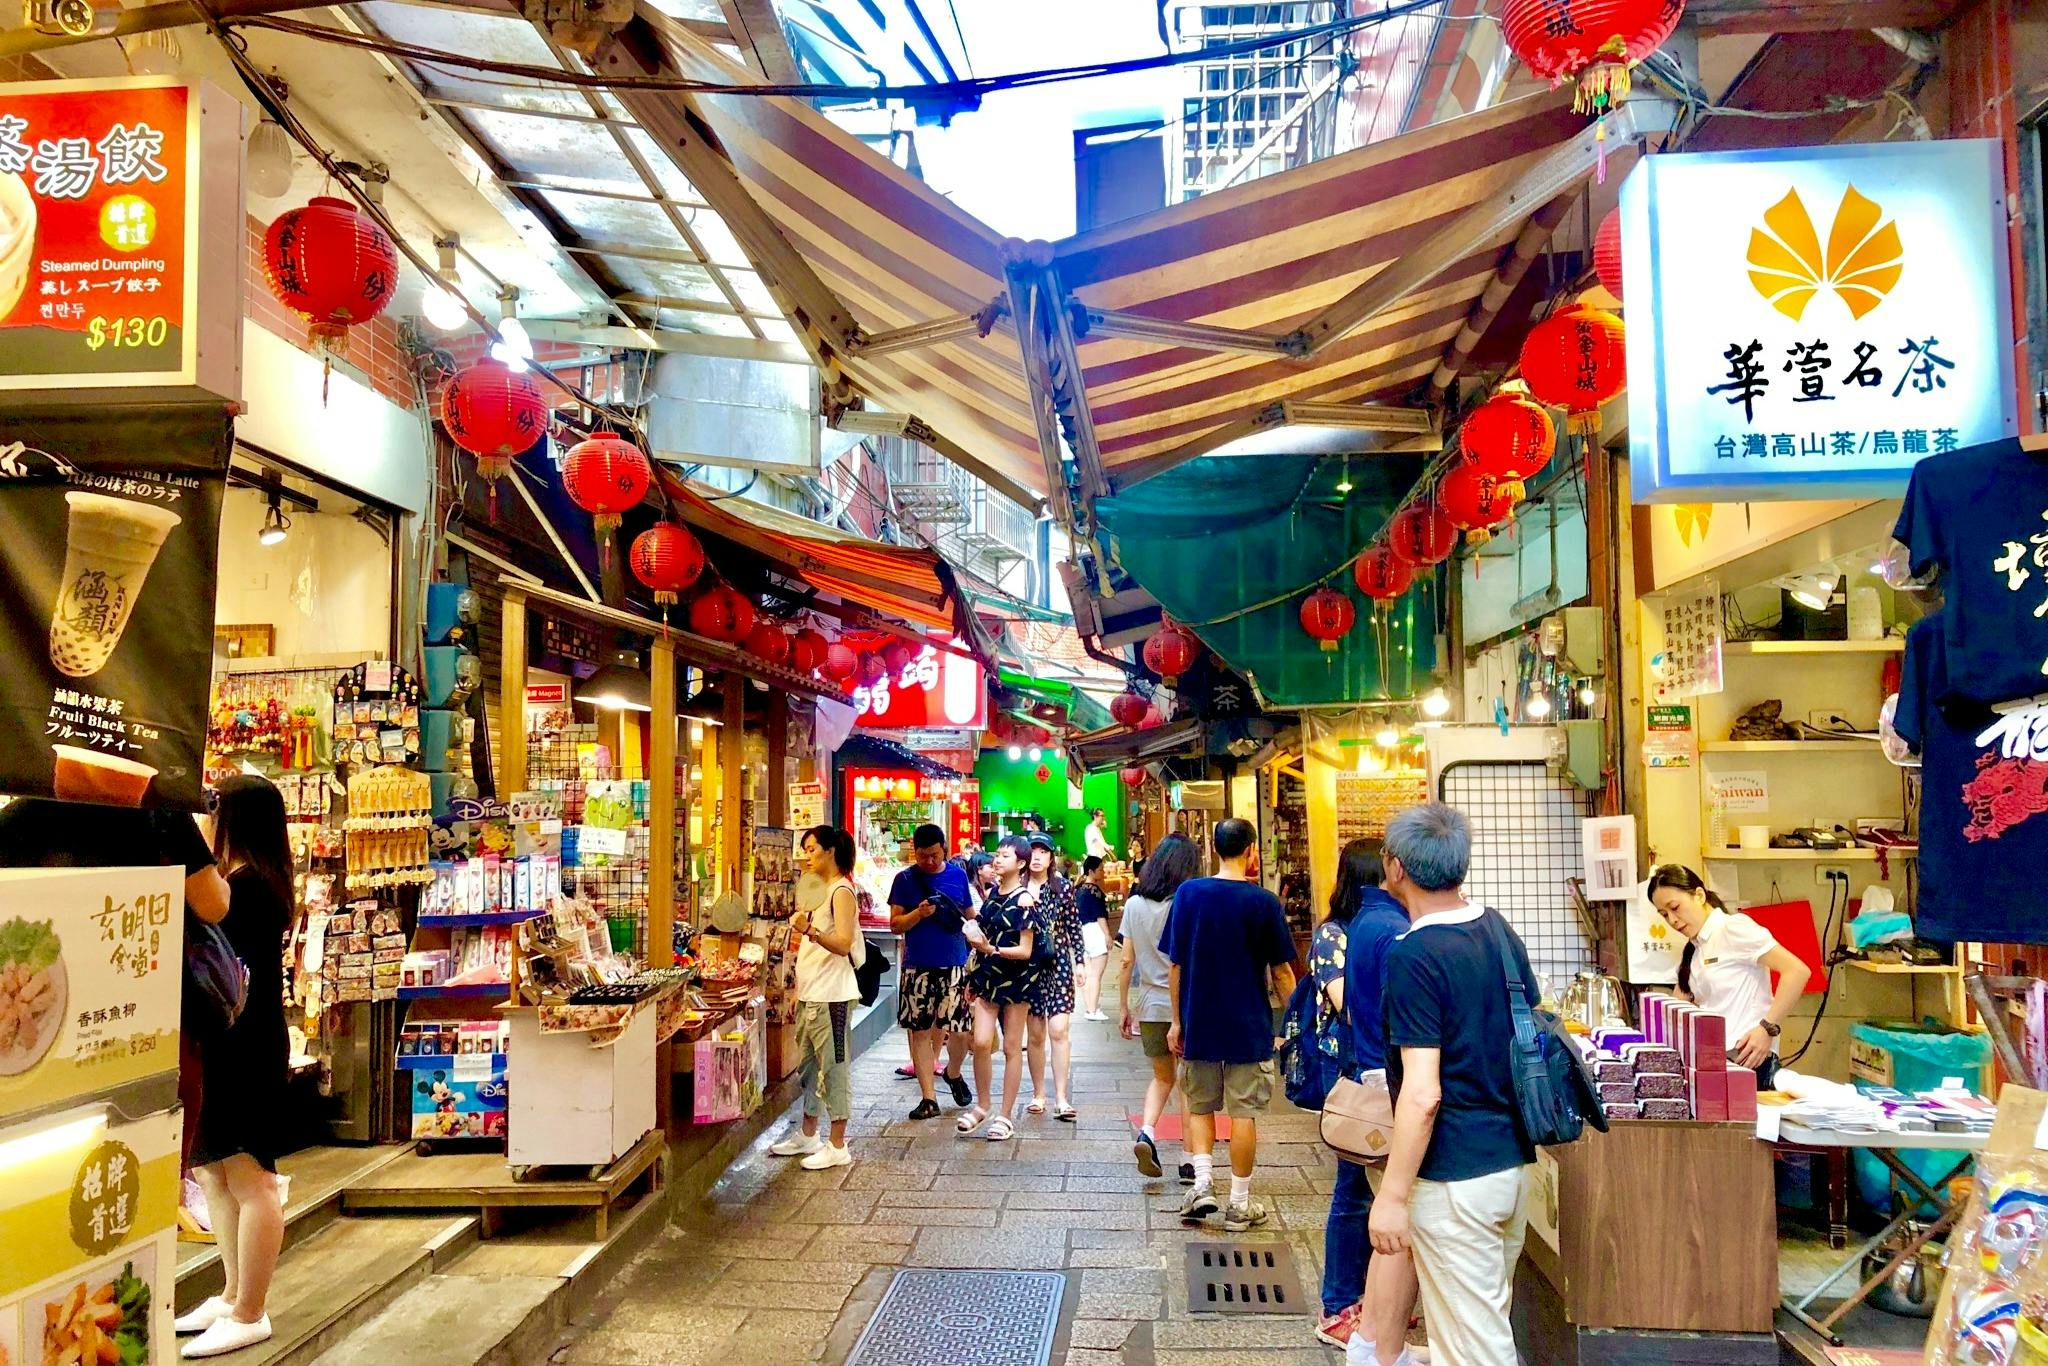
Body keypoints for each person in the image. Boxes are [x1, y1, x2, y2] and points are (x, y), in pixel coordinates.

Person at [1369, 803, 1539, 1366]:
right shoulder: (1497, 929)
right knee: (1473, 1330)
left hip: (1454, 1177)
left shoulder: (1416, 954)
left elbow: (1423, 1094)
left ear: (1395, 867)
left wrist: (1392, 1198)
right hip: (1510, 1164)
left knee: (1477, 1351)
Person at [177, 777, 295, 1358]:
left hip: (247, 1046)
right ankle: (232, 1295)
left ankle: (251, 1309)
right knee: (214, 1172)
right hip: (228, 1043)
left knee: (252, 1178)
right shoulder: (253, 881)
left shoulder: (247, 888)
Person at [1314, 843, 1421, 1362]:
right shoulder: (1365, 932)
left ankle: (1368, 1312)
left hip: (1365, 1072)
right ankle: (1344, 1306)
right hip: (1369, 1080)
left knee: (1365, 1193)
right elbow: (1350, 1005)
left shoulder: (1359, 929)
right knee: (1364, 1194)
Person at [1164, 817, 1297, 1231]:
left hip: (1199, 1020)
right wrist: (1295, 1019)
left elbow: (1176, 965)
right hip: (1249, 1023)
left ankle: (1202, 1184)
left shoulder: (1189, 894)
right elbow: (1281, 973)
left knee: (1200, 1105)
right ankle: (1239, 1204)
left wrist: (1176, 1021)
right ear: (1251, 851)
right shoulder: (1263, 902)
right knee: (1244, 1113)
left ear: (1214, 850)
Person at [1648, 863, 1810, 1088]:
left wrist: (1767, 1028)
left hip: (1747, 1061)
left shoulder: (1733, 928)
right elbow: (1676, 1010)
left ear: (1699, 895)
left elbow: (1797, 971)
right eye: (1664, 914)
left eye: (1675, 907)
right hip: (1713, 1064)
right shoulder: (1694, 949)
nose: (1672, 920)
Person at [769, 825, 864, 1171]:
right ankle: (808, 1133)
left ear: (830, 852)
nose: (806, 856)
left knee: (834, 1067)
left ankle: (838, 1143)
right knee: (809, 1068)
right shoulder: (820, 890)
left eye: (812, 849)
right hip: (812, 993)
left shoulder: (841, 891)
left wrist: (809, 929)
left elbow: (842, 943)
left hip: (833, 995)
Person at [1120, 832, 1198, 1181]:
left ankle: (1148, 1131)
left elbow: (1126, 961)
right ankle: (1188, 1157)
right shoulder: (1186, 903)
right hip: (1186, 1005)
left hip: (1149, 1004)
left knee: (1162, 1077)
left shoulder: (1134, 904)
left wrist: (1124, 1006)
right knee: (1189, 1081)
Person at [958, 835, 1044, 1141]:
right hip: (986, 978)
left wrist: (990, 949)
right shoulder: (993, 895)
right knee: (980, 1042)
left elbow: (1025, 950)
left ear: (1020, 864)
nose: (997, 860)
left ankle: (1005, 1116)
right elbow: (979, 930)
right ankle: (982, 1106)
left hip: (1017, 982)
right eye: (997, 855)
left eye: (1005, 856)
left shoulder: (1025, 900)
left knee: (1011, 1046)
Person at [888, 824, 975, 1118]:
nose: (929, 861)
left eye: (935, 855)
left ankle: (953, 1071)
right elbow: (895, 924)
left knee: (960, 1030)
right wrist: (918, 914)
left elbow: (969, 916)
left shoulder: (958, 876)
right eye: (923, 856)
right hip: (917, 966)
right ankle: (929, 1098)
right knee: (920, 1031)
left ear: (944, 849)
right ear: (915, 852)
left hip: (954, 962)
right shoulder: (904, 880)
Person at [1023, 832, 1080, 1120]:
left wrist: (1080, 962)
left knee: (1059, 1030)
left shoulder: (1063, 888)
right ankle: (1038, 1093)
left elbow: (1073, 926)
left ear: (1050, 857)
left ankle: (1060, 1097)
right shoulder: (1016, 889)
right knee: (1035, 1034)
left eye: (1043, 851)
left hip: (1058, 966)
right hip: (1028, 967)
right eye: (1032, 850)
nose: (1036, 856)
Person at [1076, 856, 1111, 1022]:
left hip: (1082, 932)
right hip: (1096, 931)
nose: (1102, 872)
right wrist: (1107, 935)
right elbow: (1100, 916)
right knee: (1096, 974)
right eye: (1100, 869)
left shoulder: (1078, 889)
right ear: (1092, 871)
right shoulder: (1095, 891)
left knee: (1088, 972)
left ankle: (1090, 1007)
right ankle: (1093, 1009)